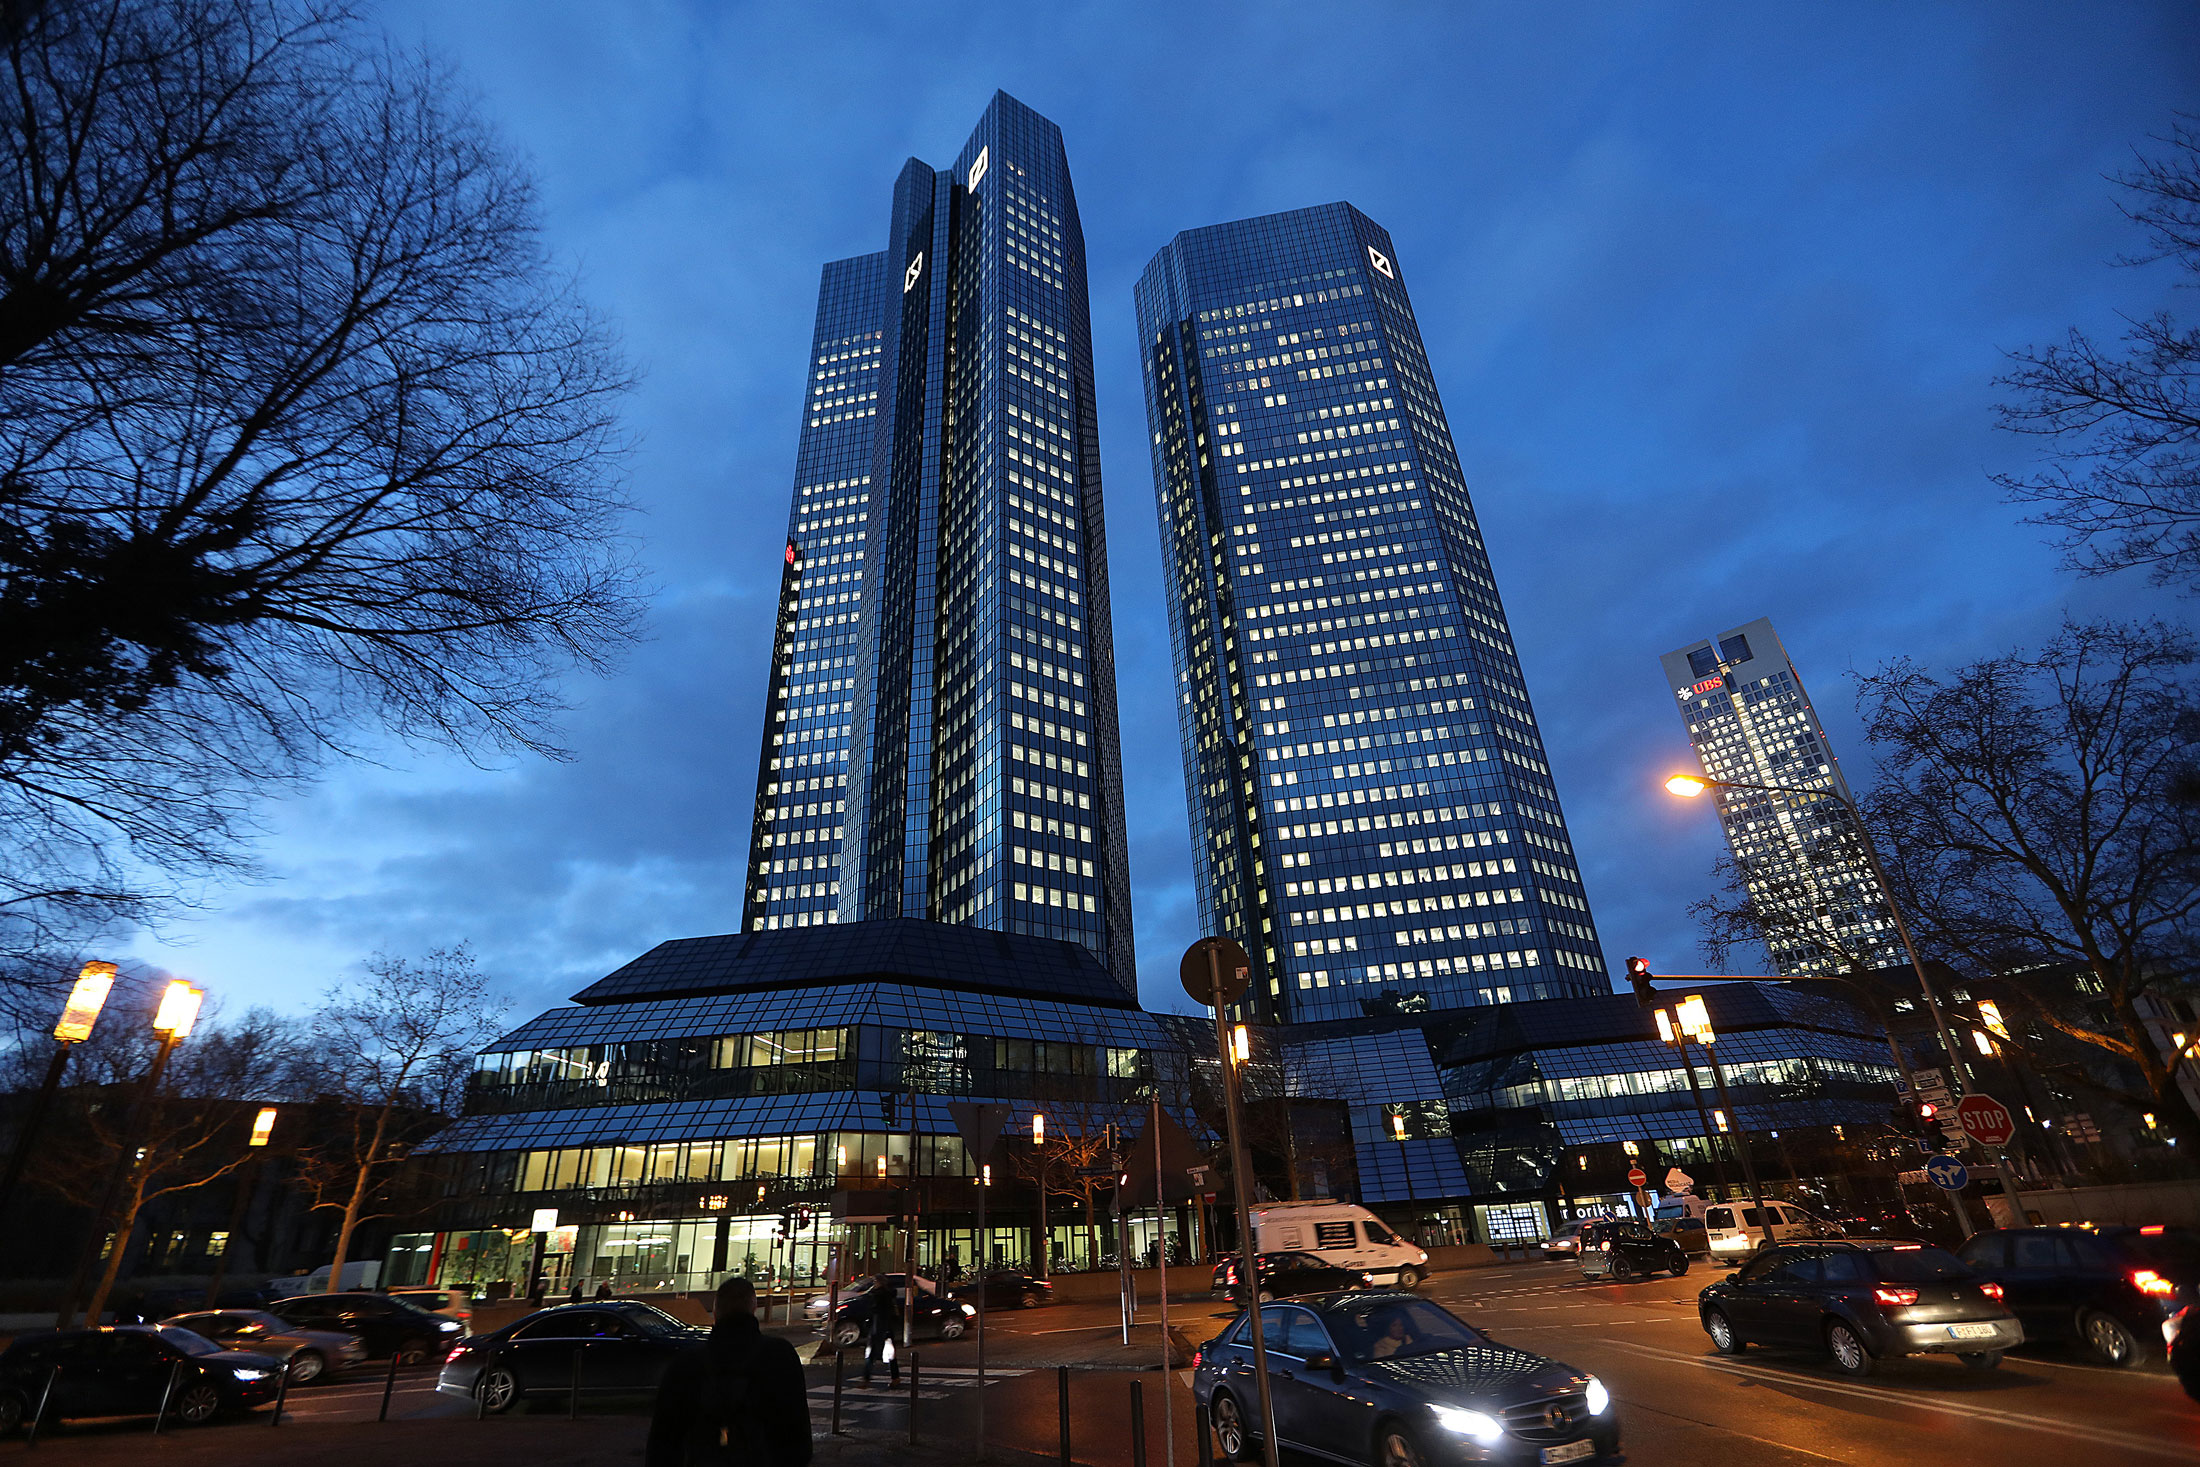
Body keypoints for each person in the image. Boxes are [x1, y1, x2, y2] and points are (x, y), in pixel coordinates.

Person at [647, 1276, 810, 1467]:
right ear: (753, 1309)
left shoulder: (687, 1363)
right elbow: (799, 1437)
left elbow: (663, 1439)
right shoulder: (780, 1356)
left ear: (715, 1313)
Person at [861, 1276, 902, 1388]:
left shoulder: (879, 1295)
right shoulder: (887, 1295)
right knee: (890, 1355)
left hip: (879, 1328)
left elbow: (874, 1310)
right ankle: (895, 1377)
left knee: (872, 1354)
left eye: (875, 1281)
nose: (874, 1283)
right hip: (885, 1328)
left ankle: (866, 1379)